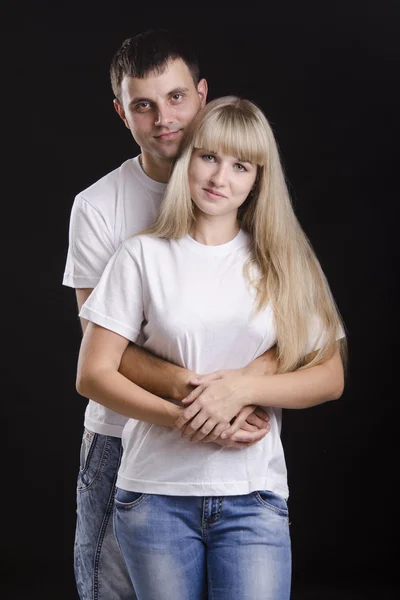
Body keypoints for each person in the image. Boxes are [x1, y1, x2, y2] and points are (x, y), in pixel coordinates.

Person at [76, 96, 347, 600]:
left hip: (253, 498)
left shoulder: (283, 264)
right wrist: (184, 419)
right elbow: (93, 374)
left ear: (257, 179)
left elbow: (330, 376)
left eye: (240, 165)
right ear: (188, 160)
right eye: (208, 157)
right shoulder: (142, 255)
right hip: (155, 495)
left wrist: (243, 387)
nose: (220, 177)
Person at [63, 31, 273, 600]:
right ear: (121, 112)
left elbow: (293, 320)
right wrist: (207, 398)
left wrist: (244, 390)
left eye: (176, 97)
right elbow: (104, 347)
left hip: (236, 438)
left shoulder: (243, 192)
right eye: (143, 105)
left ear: (203, 96)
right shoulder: (98, 207)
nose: (164, 118)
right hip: (122, 434)